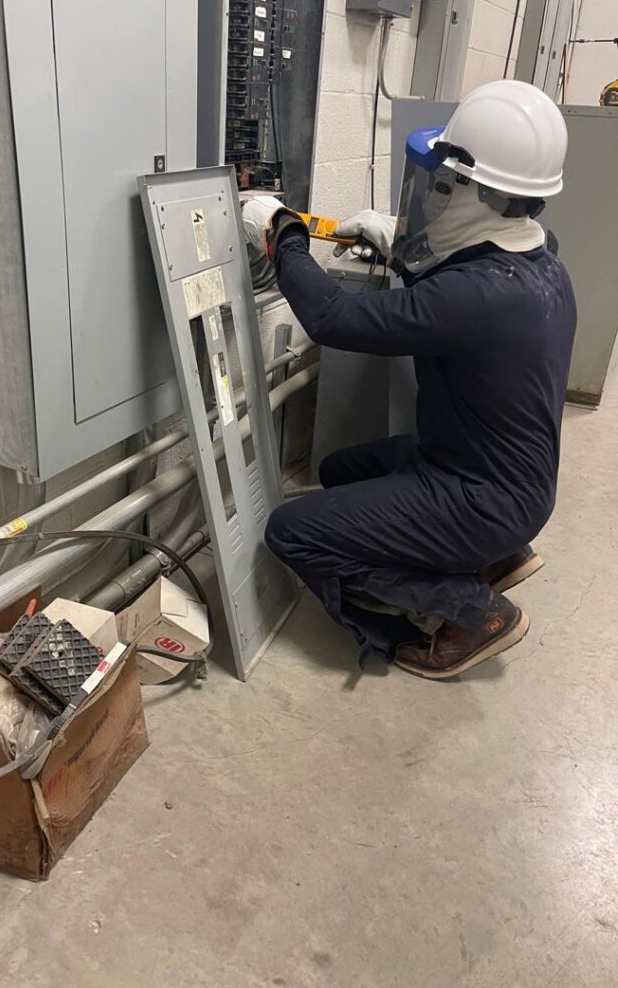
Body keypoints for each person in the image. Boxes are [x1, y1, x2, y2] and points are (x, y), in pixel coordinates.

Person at [242, 79, 577, 680]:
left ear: (479, 192)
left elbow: (333, 319)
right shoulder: (541, 262)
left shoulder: (475, 296)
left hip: (479, 496)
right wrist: (398, 250)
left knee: (293, 533)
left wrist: (284, 235)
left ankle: (470, 609)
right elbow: (456, 297)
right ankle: (494, 557)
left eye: (444, 185)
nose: (434, 195)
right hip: (502, 477)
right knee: (339, 471)